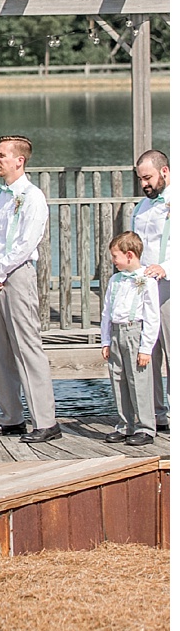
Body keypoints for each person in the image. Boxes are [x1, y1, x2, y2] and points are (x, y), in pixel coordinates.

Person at [0, 135, 58, 444]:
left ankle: (46, 421)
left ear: (18, 160)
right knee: (1, 348)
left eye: (1, 156)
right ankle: (11, 418)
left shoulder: (33, 196)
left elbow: (26, 243)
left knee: (27, 347)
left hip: (17, 275)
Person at [100, 231, 161, 447]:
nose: (113, 261)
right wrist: (106, 340)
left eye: (115, 257)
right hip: (117, 333)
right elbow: (107, 312)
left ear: (129, 255)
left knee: (139, 381)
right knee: (118, 378)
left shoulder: (148, 280)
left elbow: (152, 317)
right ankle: (125, 424)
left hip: (136, 332)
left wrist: (146, 348)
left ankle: (146, 427)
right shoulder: (115, 280)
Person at [130, 149, 170, 433]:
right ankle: (157, 414)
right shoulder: (140, 207)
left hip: (170, 285)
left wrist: (166, 267)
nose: (144, 184)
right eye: (141, 179)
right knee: (149, 351)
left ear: (164, 172)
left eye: (148, 178)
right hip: (145, 288)